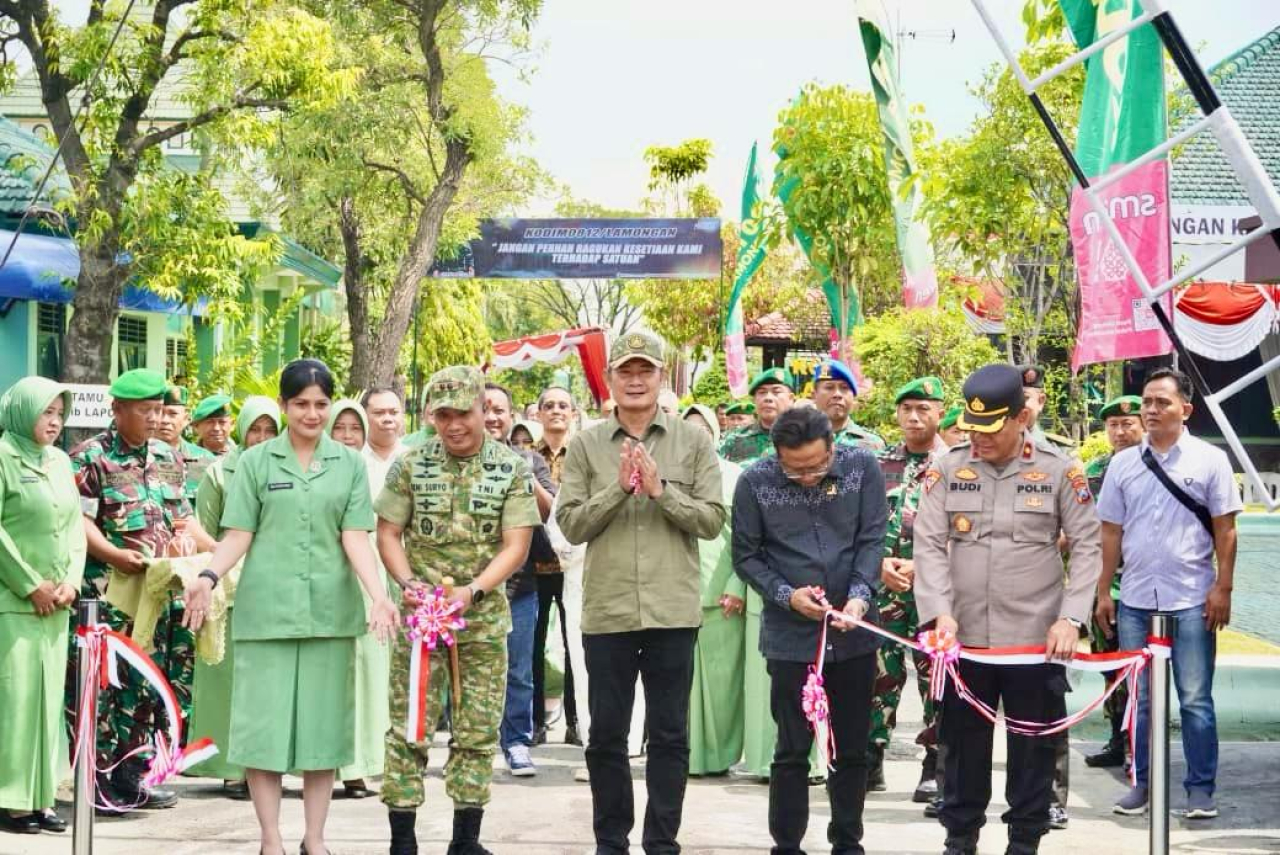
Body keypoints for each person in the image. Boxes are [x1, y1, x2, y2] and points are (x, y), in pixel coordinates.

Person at [182, 359, 398, 855]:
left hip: (330, 616)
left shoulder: (347, 464)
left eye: (321, 404)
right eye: (301, 404)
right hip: (266, 615)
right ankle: (271, 839)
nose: (312, 413)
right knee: (265, 731)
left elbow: (355, 536)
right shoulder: (257, 463)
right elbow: (238, 533)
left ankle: (316, 839)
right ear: (284, 406)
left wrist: (378, 593)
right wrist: (208, 576)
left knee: (323, 733)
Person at [913, 363, 1101, 855]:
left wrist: (1071, 617)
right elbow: (928, 543)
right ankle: (960, 840)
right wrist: (938, 612)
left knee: (1033, 754)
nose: (980, 439)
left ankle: (1025, 843)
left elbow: (1087, 547)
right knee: (961, 751)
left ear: (1021, 417)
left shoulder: (1062, 469)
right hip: (964, 640)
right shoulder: (948, 466)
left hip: (1034, 641)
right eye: (973, 428)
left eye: (992, 427)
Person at [556, 330, 725, 855]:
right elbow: (570, 524)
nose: (635, 379)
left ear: (660, 378)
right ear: (609, 380)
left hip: (672, 611)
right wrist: (618, 489)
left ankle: (661, 841)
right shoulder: (584, 445)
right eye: (625, 371)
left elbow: (713, 521)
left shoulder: (692, 441)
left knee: (670, 736)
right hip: (607, 613)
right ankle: (611, 839)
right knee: (606, 735)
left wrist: (659, 491)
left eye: (645, 371)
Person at [376, 366, 538, 855]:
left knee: (477, 731)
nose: (453, 425)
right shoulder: (410, 464)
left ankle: (465, 840)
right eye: (442, 415)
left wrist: (473, 591)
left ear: (481, 410)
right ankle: (402, 842)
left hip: (482, 624)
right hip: (423, 624)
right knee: (409, 730)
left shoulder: (511, 467)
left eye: (462, 414)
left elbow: (517, 546)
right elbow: (388, 533)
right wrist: (407, 583)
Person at [732, 406, 887, 855]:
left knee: (851, 747)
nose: (807, 476)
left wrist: (859, 597)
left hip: (853, 632)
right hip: (790, 638)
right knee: (791, 748)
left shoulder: (862, 467)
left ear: (832, 447)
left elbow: (871, 539)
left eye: (818, 466)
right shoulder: (755, 481)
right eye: (794, 469)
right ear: (776, 453)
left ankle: (847, 842)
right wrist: (785, 596)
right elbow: (747, 556)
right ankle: (787, 845)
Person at [1096, 368, 1242, 819]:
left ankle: (1200, 789)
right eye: (1148, 402)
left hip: (1193, 599)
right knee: (1140, 698)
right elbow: (1110, 533)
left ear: (1186, 409)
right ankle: (1141, 784)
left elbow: (1226, 529)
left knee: (1195, 698)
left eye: (1162, 402)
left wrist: (1224, 587)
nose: (1152, 409)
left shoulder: (1209, 460)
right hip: (1137, 599)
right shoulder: (1122, 464)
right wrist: (1104, 591)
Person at [70, 368, 216, 813]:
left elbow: (183, 518)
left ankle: (136, 774)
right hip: (113, 594)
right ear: (117, 410)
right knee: (108, 689)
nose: (155, 418)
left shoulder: (167, 457)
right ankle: (97, 781)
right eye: (145, 410)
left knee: (155, 686)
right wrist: (114, 554)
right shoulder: (89, 457)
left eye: (159, 410)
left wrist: (214, 551)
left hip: (161, 593)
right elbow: (81, 522)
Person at [0, 377, 84, 835]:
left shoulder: (59, 460)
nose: (53, 422)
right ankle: (11, 797)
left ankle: (42, 796)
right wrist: (30, 584)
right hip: (13, 602)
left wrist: (70, 581)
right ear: (21, 412)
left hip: (57, 605)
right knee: (15, 699)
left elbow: (74, 528)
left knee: (49, 701)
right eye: (44, 412)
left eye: (58, 413)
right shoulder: (2, 457)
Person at [188, 395, 280, 798]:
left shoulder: (289, 467)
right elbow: (201, 532)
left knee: (269, 683)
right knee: (228, 681)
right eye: (254, 429)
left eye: (269, 430)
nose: (261, 438)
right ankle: (230, 767)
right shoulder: (219, 473)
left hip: (274, 591)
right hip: (227, 590)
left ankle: (267, 763)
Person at [865, 377, 949, 804]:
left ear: (940, 411)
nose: (914, 417)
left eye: (923, 408)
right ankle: (872, 756)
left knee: (935, 676)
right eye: (907, 409)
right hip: (884, 590)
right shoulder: (876, 464)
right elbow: (860, 525)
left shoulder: (958, 464)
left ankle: (935, 765)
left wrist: (924, 564)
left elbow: (967, 529)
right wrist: (877, 564)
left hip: (936, 592)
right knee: (881, 673)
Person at [482, 382, 557, 778]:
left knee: (519, 669)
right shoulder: (457, 462)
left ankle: (516, 741)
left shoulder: (529, 459)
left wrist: (527, 475)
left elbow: (553, 512)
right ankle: (471, 742)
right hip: (469, 587)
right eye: (485, 408)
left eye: (500, 410)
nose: (493, 416)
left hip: (520, 585)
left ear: (512, 417)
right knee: (471, 664)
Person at [325, 399, 392, 800]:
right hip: (327, 575)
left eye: (355, 428)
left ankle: (359, 766)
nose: (348, 435)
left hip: (369, 576)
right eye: (341, 427)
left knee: (367, 670)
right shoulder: (316, 468)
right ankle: (325, 763)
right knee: (330, 672)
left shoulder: (376, 470)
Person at [681, 404, 745, 777]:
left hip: (723, 595)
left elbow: (746, 539)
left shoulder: (735, 477)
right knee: (682, 686)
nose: (695, 437)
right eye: (687, 430)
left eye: (702, 429)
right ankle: (687, 757)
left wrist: (737, 584)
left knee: (722, 686)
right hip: (677, 592)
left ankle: (719, 757)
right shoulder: (667, 476)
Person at [1082, 395, 1144, 771]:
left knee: (1139, 669)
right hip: (1102, 585)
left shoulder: (1154, 468)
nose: (1120, 432)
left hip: (1140, 583)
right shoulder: (1094, 470)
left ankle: (1140, 742)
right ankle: (1117, 738)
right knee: (1109, 664)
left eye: (1127, 424)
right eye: (1113, 426)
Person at [533, 385, 580, 746]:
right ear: (538, 414)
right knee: (532, 646)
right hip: (534, 563)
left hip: (574, 564)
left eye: (563, 405)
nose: (556, 411)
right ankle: (535, 721)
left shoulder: (583, 455)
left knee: (575, 643)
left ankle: (577, 721)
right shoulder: (527, 457)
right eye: (548, 405)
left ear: (574, 413)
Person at [719, 368, 793, 463]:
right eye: (762, 393)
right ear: (754, 400)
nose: (768, 398)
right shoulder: (734, 439)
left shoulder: (805, 437)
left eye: (776, 392)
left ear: (791, 398)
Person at [157, 385, 216, 500]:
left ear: (186, 419)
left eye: (172, 414)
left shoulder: (206, 461)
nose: (164, 420)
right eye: (158, 413)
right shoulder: (133, 460)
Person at [811, 359, 885, 450]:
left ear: (853, 397)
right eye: (829, 387)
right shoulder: (797, 441)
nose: (837, 394)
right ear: (814, 396)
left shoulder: (873, 443)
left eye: (844, 388)